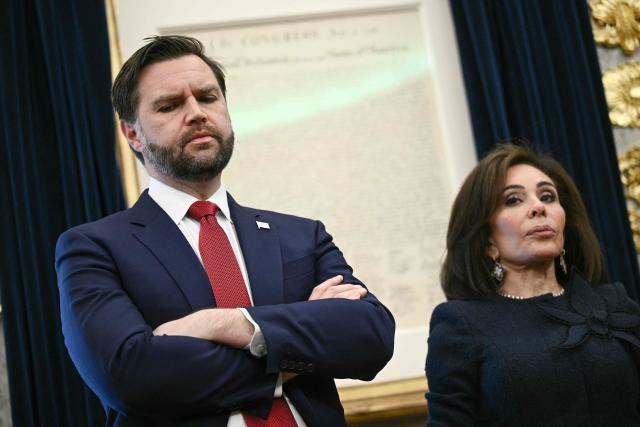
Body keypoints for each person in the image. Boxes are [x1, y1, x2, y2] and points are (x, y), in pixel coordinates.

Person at [55, 35, 395, 427]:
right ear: (132, 134)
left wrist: (227, 324)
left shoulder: (301, 235)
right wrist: (300, 343)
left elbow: (370, 336)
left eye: (208, 97)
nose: (196, 113)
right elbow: (130, 377)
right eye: (170, 105)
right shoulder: (94, 248)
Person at [425, 144, 640, 426]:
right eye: (514, 200)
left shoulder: (614, 304)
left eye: (548, 196)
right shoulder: (459, 323)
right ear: (488, 238)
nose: (538, 207)